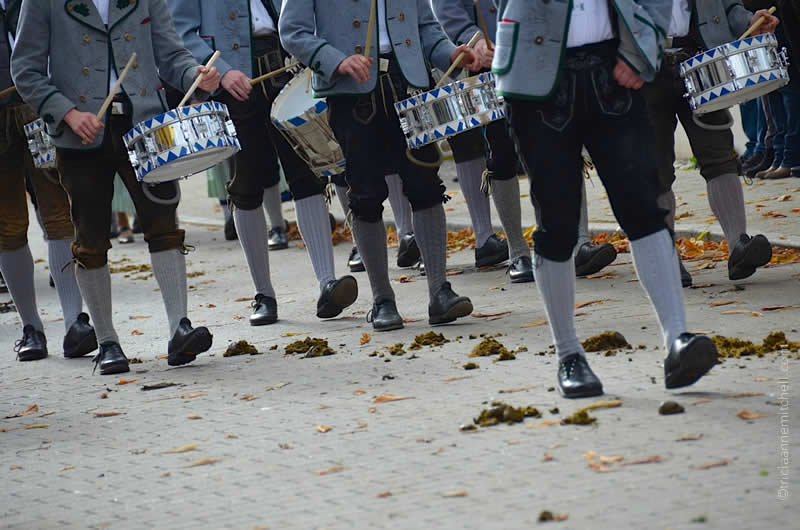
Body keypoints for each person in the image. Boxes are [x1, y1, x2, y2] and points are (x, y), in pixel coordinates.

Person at [494, 0, 719, 398]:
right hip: (535, 72)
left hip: (614, 65)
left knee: (644, 206)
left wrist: (641, 49)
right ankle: (569, 354)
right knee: (557, 222)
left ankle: (677, 339)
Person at [12, 0, 220, 375]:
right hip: (79, 133)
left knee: (163, 222)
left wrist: (195, 74)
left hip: (145, 123)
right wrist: (67, 113)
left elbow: (171, 54)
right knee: (90, 237)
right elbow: (26, 70)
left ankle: (179, 328)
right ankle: (107, 341)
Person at [280, 0, 480, 331]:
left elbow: (425, 26)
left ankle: (440, 292)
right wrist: (336, 60)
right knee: (365, 195)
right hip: (350, 93)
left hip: (408, 84)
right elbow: (292, 32)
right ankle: (382, 299)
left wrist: (449, 53)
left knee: (426, 185)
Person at [169, 0, 360, 324]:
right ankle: (264, 294)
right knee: (245, 185)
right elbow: (181, 34)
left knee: (306, 174)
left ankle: (327, 283)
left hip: (283, 67)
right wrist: (223, 72)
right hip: (233, 83)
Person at [431, 0, 618, 282]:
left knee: (566, 141)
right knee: (502, 155)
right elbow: (448, 8)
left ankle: (579, 243)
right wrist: (475, 39)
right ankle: (518, 252)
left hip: (545, 47)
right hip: (491, 58)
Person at [642, 0, 777, 287]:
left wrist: (749, 20)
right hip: (643, 69)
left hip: (702, 60)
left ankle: (738, 245)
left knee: (719, 155)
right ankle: (665, 256)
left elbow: (727, 6)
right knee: (654, 169)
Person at [1, 0, 97, 363]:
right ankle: (31, 328)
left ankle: (75, 322)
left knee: (59, 212)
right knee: (8, 225)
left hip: (41, 104)